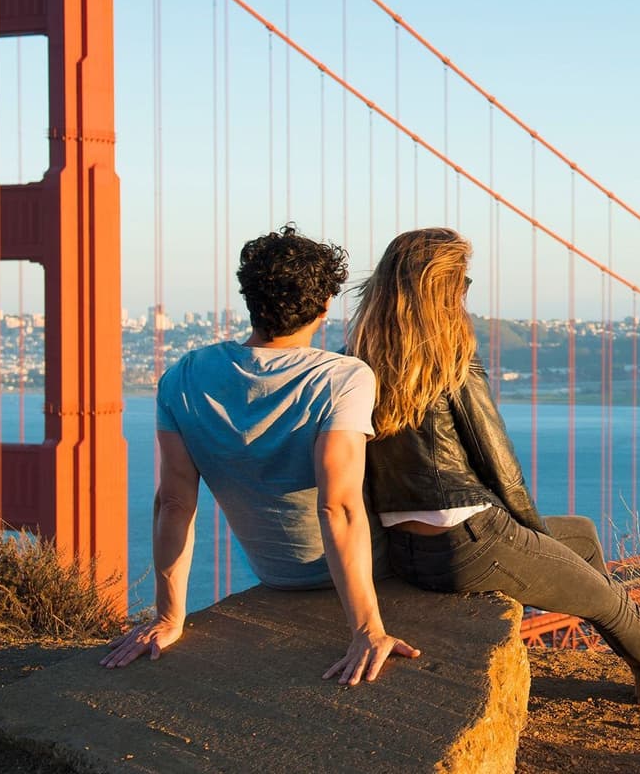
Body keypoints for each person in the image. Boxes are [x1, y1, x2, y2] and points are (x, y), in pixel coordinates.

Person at [350, 227, 640, 704]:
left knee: (579, 535)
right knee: (606, 600)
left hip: (408, 551)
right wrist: (532, 539)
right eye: (464, 282)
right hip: (470, 540)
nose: (466, 294)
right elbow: (501, 467)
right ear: (444, 288)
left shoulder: (358, 361)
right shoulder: (451, 360)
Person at [101, 225, 418, 686]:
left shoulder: (183, 376)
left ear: (249, 298)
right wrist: (367, 630)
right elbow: (339, 506)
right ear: (326, 305)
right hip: (377, 565)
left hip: (276, 574)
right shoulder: (344, 376)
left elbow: (174, 503)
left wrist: (169, 617)